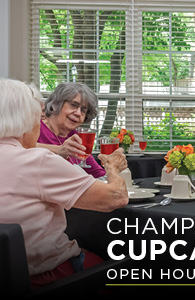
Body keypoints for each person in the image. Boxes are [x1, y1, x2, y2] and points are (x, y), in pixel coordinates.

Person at [0, 78, 129, 288]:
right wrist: (113, 167)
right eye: (38, 115)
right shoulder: (38, 161)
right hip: (42, 276)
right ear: (25, 120)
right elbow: (116, 197)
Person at [37, 82, 106, 178]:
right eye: (73, 105)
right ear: (56, 104)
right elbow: (21, 149)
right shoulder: (35, 128)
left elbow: (100, 176)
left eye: (83, 110)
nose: (78, 113)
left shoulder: (77, 138)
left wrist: (113, 167)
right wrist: (58, 150)